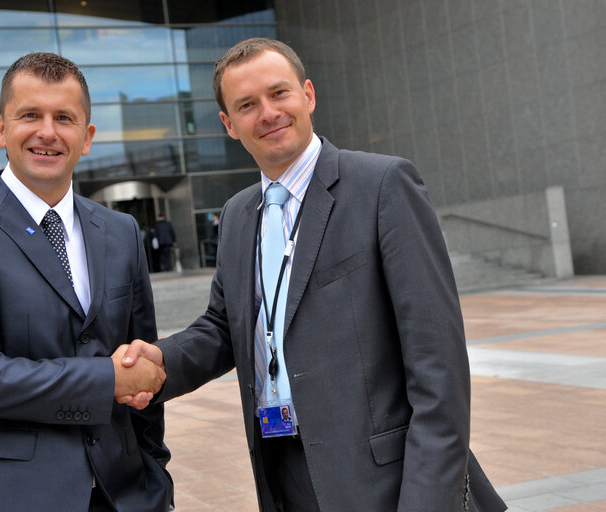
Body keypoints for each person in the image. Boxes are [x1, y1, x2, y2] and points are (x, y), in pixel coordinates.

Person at [119, 38, 507, 511]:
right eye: (247, 104)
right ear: (229, 125)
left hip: (388, 484)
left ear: (307, 95)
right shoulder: (239, 214)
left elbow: (438, 369)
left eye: (278, 93)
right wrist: (158, 361)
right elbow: (225, 328)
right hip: (285, 476)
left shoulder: (383, 186)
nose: (268, 113)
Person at [0, 52, 172, 512]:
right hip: (10, 495)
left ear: (87, 136)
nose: (47, 132)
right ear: (1, 129)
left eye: (64, 118)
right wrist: (106, 378)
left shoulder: (121, 231)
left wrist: (156, 479)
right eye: (30, 115)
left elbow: (141, 368)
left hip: (124, 494)